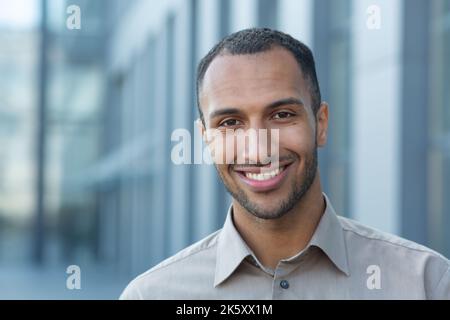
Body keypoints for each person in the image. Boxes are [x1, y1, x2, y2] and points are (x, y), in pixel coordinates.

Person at [120, 28, 450, 299]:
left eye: (282, 115)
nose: (259, 149)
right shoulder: (152, 296)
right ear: (206, 139)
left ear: (321, 124)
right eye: (230, 123)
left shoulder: (426, 284)